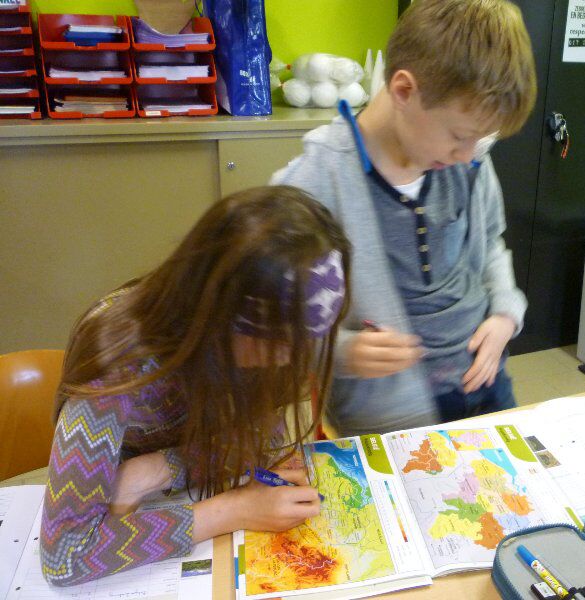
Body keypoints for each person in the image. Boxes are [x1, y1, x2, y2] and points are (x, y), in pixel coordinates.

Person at [40, 186, 350, 586]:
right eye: (278, 342)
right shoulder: (118, 367)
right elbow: (66, 556)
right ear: (218, 317)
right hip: (122, 512)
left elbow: (266, 437)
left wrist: (161, 468)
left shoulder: (258, 341)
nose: (288, 360)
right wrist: (234, 510)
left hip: (166, 495)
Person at [271, 0, 537, 436]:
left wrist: (505, 314)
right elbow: (280, 326)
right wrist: (342, 353)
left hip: (487, 383)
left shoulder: (468, 158)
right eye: (459, 136)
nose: (467, 155)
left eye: (480, 139)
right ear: (403, 91)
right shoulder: (313, 183)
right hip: (388, 419)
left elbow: (491, 243)